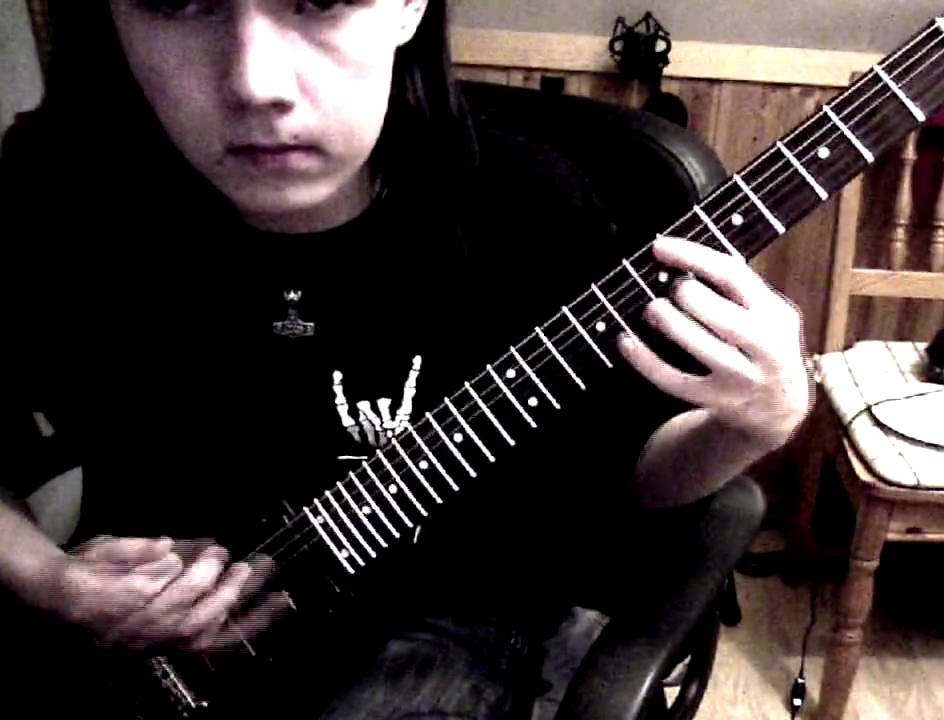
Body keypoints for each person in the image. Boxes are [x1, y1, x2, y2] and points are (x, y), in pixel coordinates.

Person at [0, 1, 810, 718]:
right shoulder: (57, 199)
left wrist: (753, 424)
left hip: (451, 624)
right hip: (133, 647)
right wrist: (48, 580)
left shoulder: (530, 206)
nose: (254, 83)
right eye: (179, 1)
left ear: (409, 6)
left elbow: (632, 476)